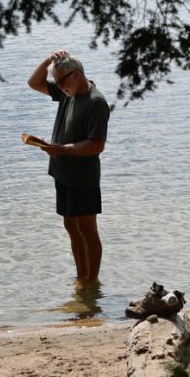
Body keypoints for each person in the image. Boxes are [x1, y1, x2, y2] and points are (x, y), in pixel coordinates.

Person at [27, 49, 110, 283]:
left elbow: (97, 145)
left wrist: (62, 149)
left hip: (83, 177)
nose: (58, 86)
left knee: (87, 231)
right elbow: (34, 82)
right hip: (62, 174)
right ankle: (81, 277)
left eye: (61, 81)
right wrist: (48, 59)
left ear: (76, 74)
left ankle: (91, 282)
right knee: (70, 226)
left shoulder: (96, 102)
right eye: (57, 82)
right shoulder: (67, 93)